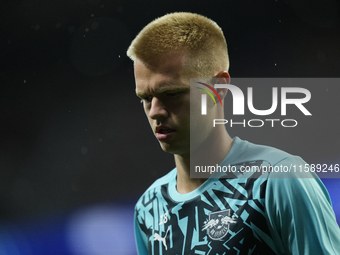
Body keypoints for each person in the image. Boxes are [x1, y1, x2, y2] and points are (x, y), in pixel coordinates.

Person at [126, 12, 340, 254]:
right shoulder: (149, 208)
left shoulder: (278, 181)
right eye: (145, 98)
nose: (154, 112)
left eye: (172, 93)